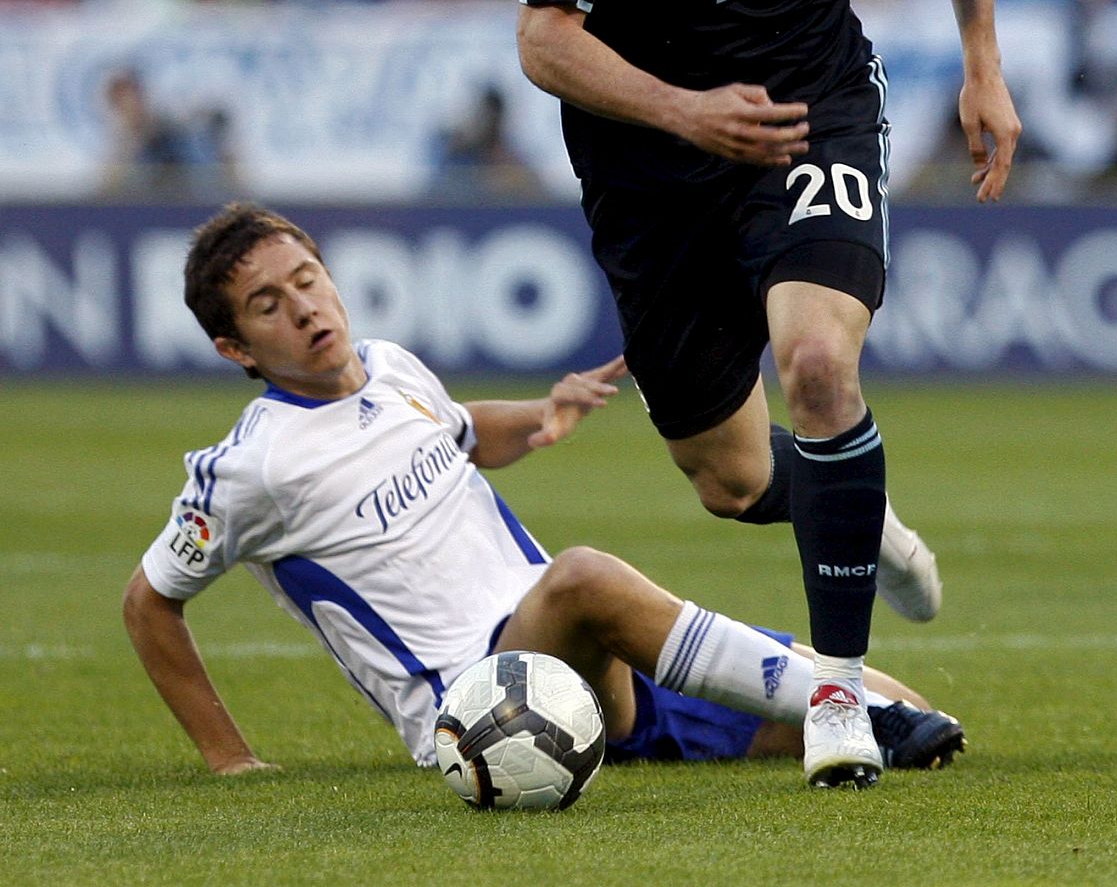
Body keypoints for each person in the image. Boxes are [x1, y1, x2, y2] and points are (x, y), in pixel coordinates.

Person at [517, 0, 1021, 788]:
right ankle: (862, 515)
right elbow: (544, 38)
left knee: (815, 368)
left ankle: (838, 696)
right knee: (731, 477)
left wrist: (982, 62)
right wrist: (688, 112)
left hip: (808, 114)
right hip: (651, 161)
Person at [122, 203, 965, 782]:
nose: (303, 308)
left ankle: (853, 708)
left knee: (914, 714)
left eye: (306, 278)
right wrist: (229, 757)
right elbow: (149, 604)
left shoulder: (387, 366)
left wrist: (539, 413)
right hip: (481, 701)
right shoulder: (250, 467)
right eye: (268, 306)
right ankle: (840, 701)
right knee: (582, 575)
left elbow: (452, 433)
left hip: (592, 664)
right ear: (236, 348)